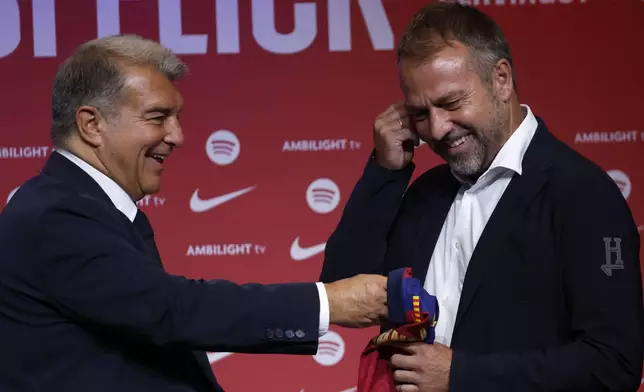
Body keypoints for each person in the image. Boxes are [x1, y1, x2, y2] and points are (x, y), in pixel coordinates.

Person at [0, 35, 389, 392]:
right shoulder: (55, 216)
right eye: (157, 117)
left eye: (177, 117)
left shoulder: (84, 207)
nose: (177, 136)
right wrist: (328, 303)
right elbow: (171, 309)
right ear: (91, 125)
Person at [320, 2, 644, 391]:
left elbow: (613, 365)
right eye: (420, 113)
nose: (437, 129)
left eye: (452, 103)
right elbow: (340, 288)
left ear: (501, 80)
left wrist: (461, 376)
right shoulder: (424, 193)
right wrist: (385, 174)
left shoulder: (584, 195)